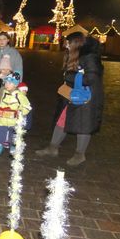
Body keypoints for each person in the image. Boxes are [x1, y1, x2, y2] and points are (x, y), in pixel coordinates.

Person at [35, 33, 104, 166]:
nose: (66, 45)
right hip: (74, 94)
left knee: (84, 124)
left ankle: (80, 154)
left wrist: (70, 76)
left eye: (68, 43)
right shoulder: (75, 55)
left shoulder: (90, 57)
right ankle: (52, 148)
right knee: (62, 120)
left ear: (76, 43)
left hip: (86, 97)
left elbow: (91, 78)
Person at [0, 72, 31, 160]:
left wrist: (20, 112)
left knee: (12, 138)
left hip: (14, 122)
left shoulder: (19, 95)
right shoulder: (3, 92)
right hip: (2, 120)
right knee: (0, 136)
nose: (7, 84)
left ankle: (12, 151)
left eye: (10, 83)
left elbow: (27, 106)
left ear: (15, 84)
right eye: (6, 82)